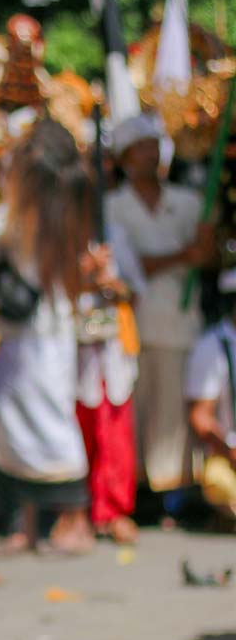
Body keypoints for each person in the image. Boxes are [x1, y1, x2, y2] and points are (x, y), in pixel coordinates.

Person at [0, 119, 93, 553]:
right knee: (21, 423)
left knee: (49, 424)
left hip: (39, 336)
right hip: (37, 331)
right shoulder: (67, 205)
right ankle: (28, 523)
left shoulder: (31, 214)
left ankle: (73, 519)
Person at [104, 113, 214, 495]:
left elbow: (209, 257)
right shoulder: (112, 207)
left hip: (179, 322)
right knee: (136, 411)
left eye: (154, 147)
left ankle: (175, 491)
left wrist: (206, 247)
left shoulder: (188, 203)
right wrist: (183, 255)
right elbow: (127, 265)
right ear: (126, 158)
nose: (151, 156)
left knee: (172, 412)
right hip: (132, 327)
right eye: (142, 149)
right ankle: (138, 489)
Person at [75, 229, 145, 544]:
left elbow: (137, 290)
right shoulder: (67, 237)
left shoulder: (119, 238)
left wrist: (114, 285)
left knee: (116, 436)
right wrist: (86, 275)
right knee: (82, 435)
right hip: (77, 352)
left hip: (114, 352)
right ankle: (82, 512)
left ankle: (116, 512)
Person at [184, 268, 236, 524]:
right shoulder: (212, 346)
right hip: (227, 455)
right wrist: (229, 450)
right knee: (219, 482)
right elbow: (200, 417)